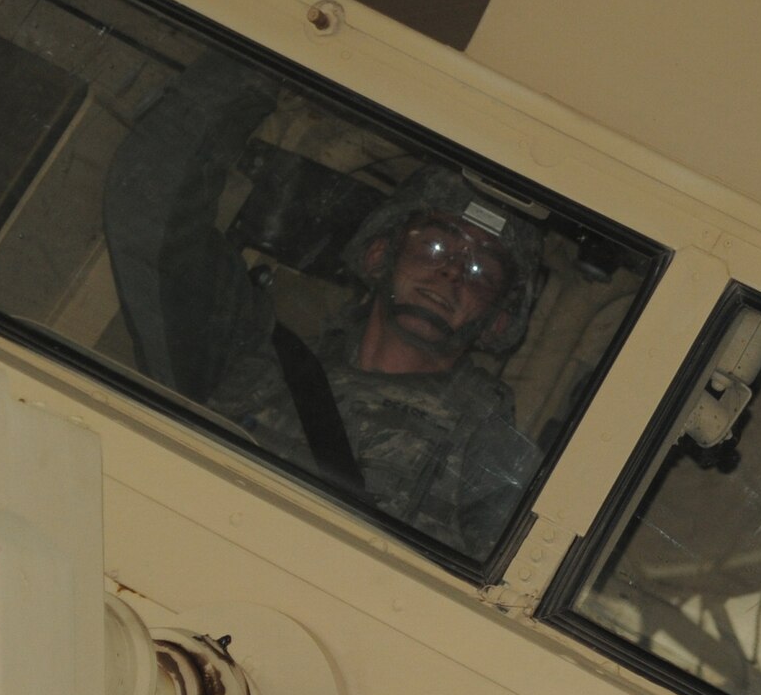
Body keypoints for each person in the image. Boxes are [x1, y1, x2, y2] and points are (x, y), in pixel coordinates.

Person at [104, 52, 545, 559]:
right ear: (381, 254)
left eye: (480, 271)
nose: (450, 272)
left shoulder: (494, 461)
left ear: (499, 321)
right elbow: (149, 219)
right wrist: (260, 60)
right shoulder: (259, 357)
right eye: (436, 246)